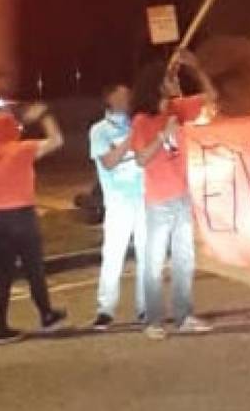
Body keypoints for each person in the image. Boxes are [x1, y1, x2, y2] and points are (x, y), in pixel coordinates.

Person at [131, 51, 218, 339]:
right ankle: (153, 321)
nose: (174, 82)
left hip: (181, 197)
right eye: (169, 79)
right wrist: (162, 135)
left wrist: (197, 68)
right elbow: (141, 159)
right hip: (158, 202)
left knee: (184, 260)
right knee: (154, 263)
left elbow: (211, 98)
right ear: (157, 86)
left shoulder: (178, 109)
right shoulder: (142, 121)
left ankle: (184, 316)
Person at [0, 104, 68, 345]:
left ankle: (1, 328)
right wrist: (45, 116)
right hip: (21, 216)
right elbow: (57, 140)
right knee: (34, 269)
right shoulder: (23, 149)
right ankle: (46, 314)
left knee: (3, 273)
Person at [90, 84, 148, 330]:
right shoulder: (99, 130)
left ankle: (146, 307)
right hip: (118, 203)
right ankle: (105, 309)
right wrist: (131, 139)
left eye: (129, 94)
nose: (128, 98)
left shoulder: (139, 123)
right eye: (121, 95)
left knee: (148, 256)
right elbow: (110, 161)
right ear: (109, 98)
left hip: (146, 199)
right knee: (113, 255)